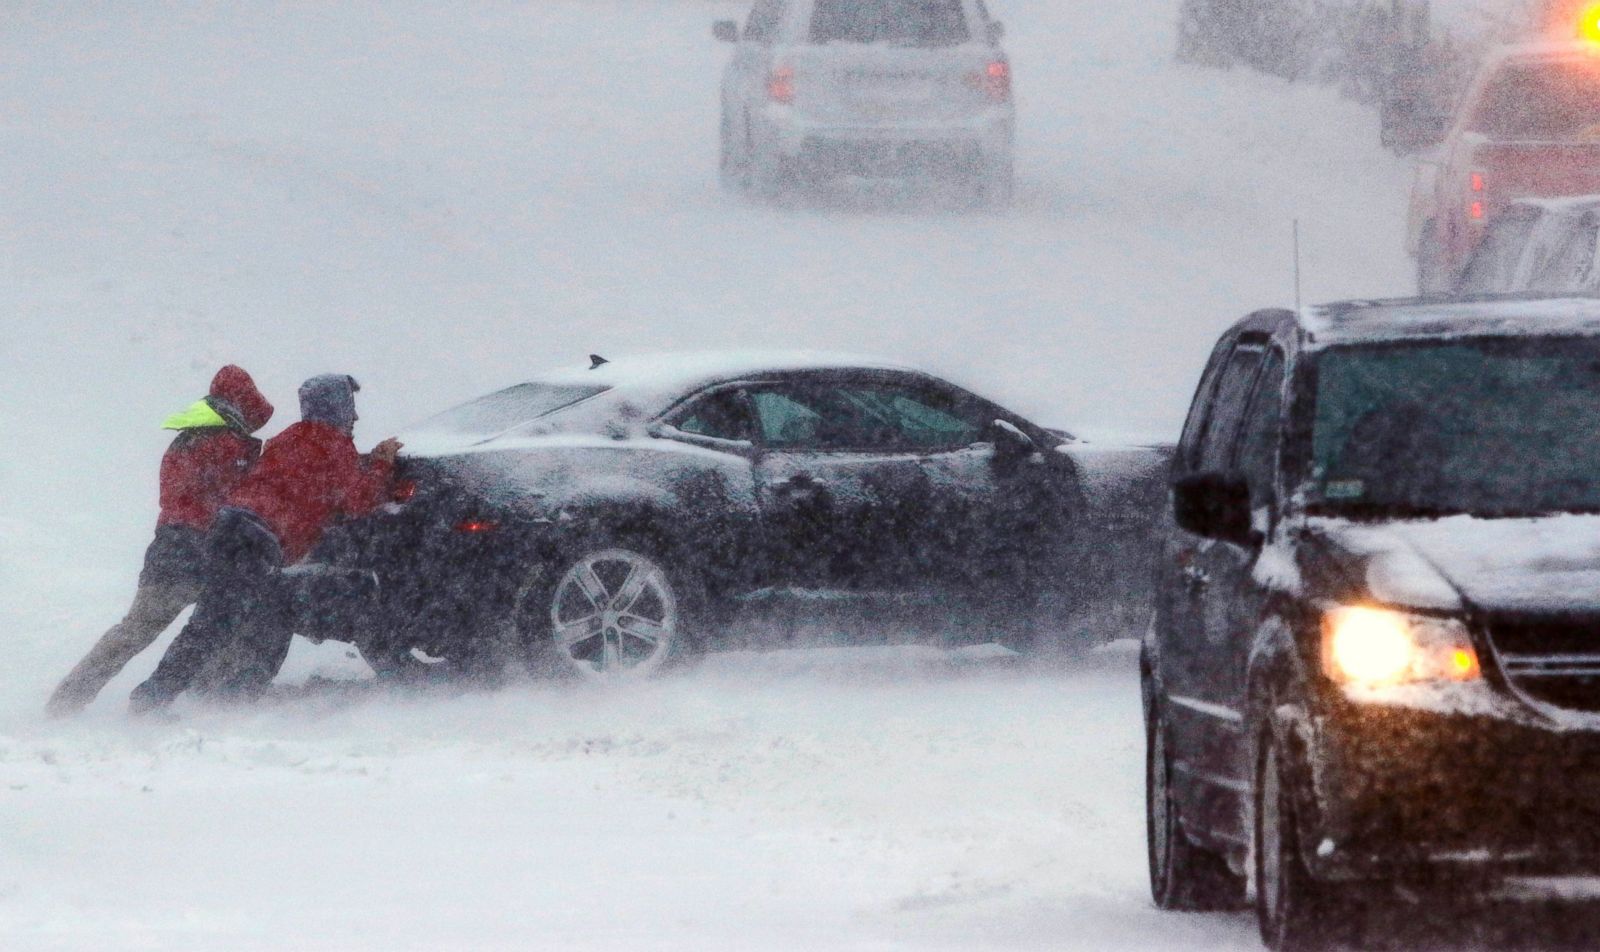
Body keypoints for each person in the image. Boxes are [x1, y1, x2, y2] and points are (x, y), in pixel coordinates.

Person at [129, 374, 402, 714]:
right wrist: (380, 464)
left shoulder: (289, 438)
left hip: (227, 528)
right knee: (246, 620)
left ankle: (179, 696)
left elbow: (299, 485)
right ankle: (188, 701)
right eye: (351, 408)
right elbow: (358, 501)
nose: (356, 417)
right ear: (339, 408)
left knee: (224, 621)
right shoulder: (332, 444)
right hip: (256, 540)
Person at [46, 366, 274, 716]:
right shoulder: (227, 443)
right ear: (240, 402)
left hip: (170, 547)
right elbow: (241, 496)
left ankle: (68, 699)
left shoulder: (188, 437)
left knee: (135, 632)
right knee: (223, 627)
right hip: (207, 547)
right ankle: (205, 704)